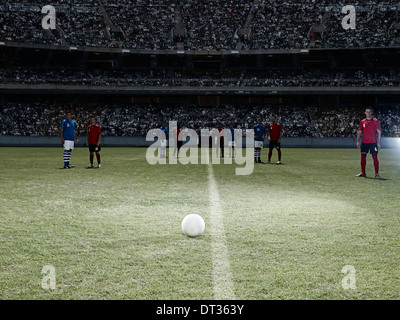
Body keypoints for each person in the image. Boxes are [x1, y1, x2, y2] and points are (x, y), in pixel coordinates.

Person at [356, 108, 382, 179]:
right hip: (364, 142)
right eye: (367, 112)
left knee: (375, 158)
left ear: (371, 113)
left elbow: (379, 132)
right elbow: (360, 132)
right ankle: (363, 173)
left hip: (373, 142)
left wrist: (379, 143)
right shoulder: (362, 122)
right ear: (365, 113)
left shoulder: (376, 121)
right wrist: (358, 141)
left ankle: (377, 174)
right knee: (363, 157)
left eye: (369, 112)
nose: (368, 113)